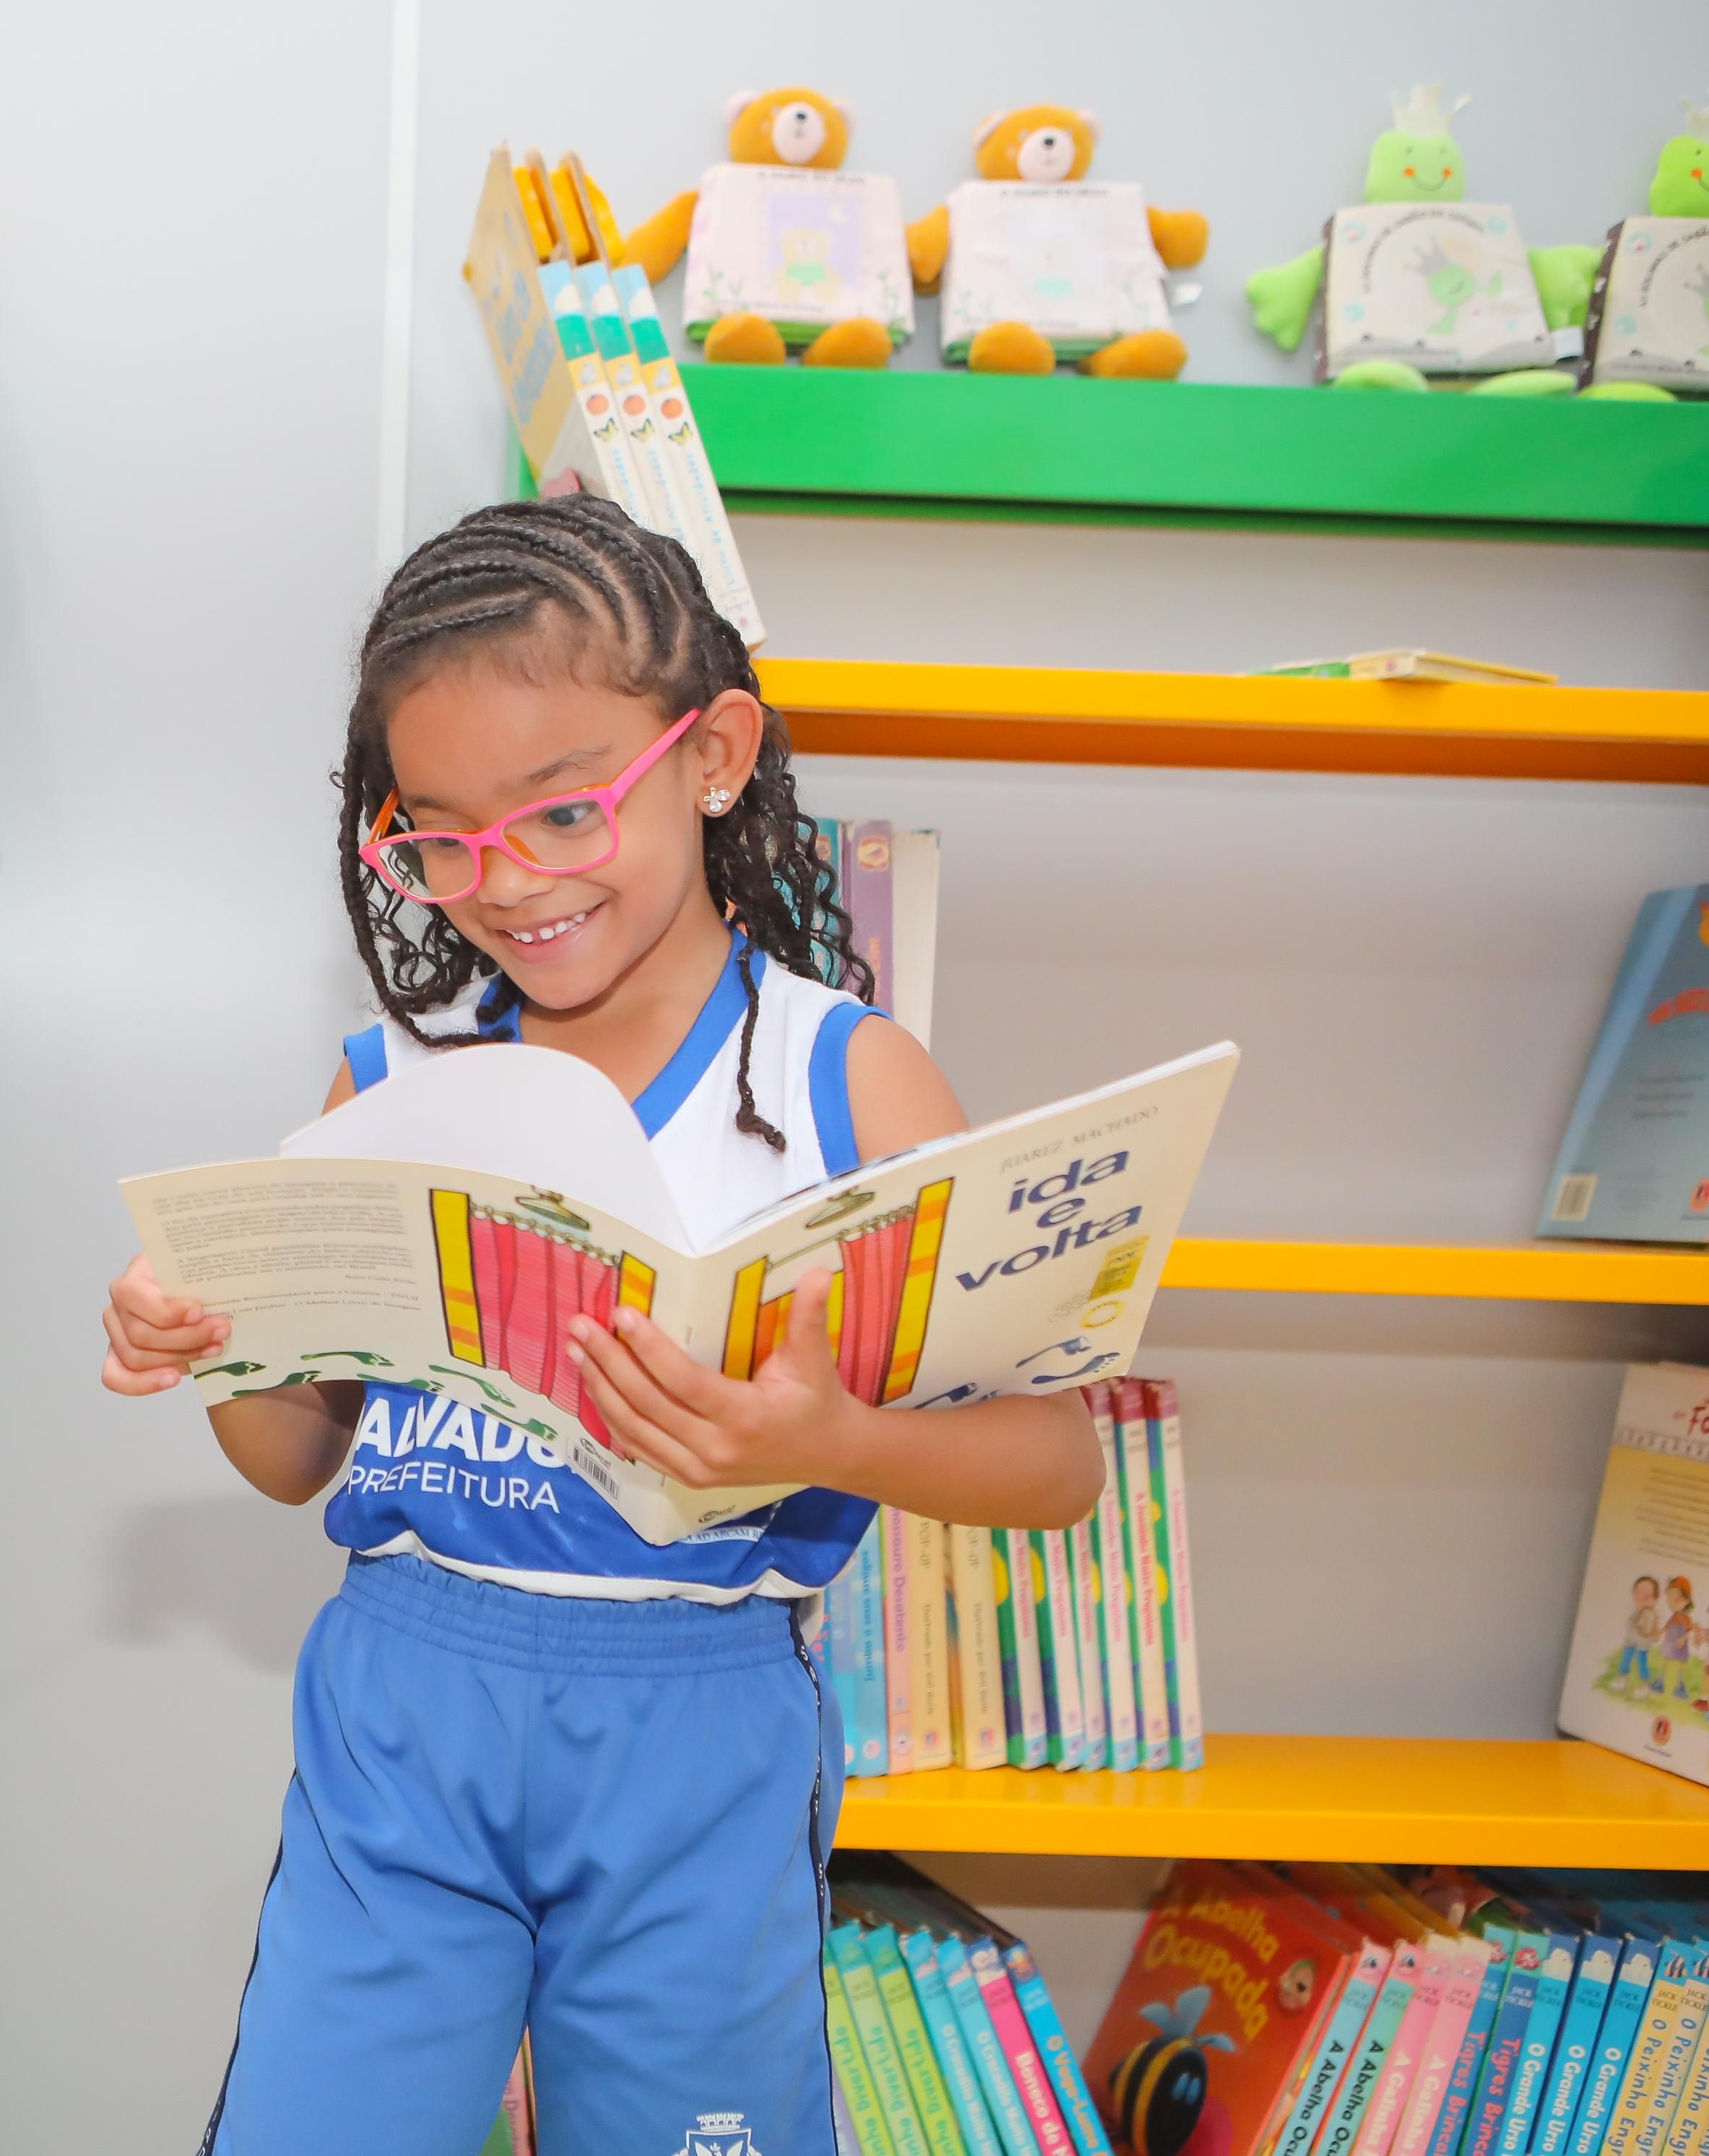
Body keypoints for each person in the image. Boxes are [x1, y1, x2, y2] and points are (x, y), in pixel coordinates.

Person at [100, 496, 1109, 2156]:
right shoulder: (386, 1083)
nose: (505, 884)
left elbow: (1058, 1462)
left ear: (713, 756)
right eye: (439, 837)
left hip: (699, 1720)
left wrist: (836, 1441)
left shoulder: (851, 1082)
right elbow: (290, 1458)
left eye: (564, 813)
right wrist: (209, 1340)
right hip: (404, 1706)